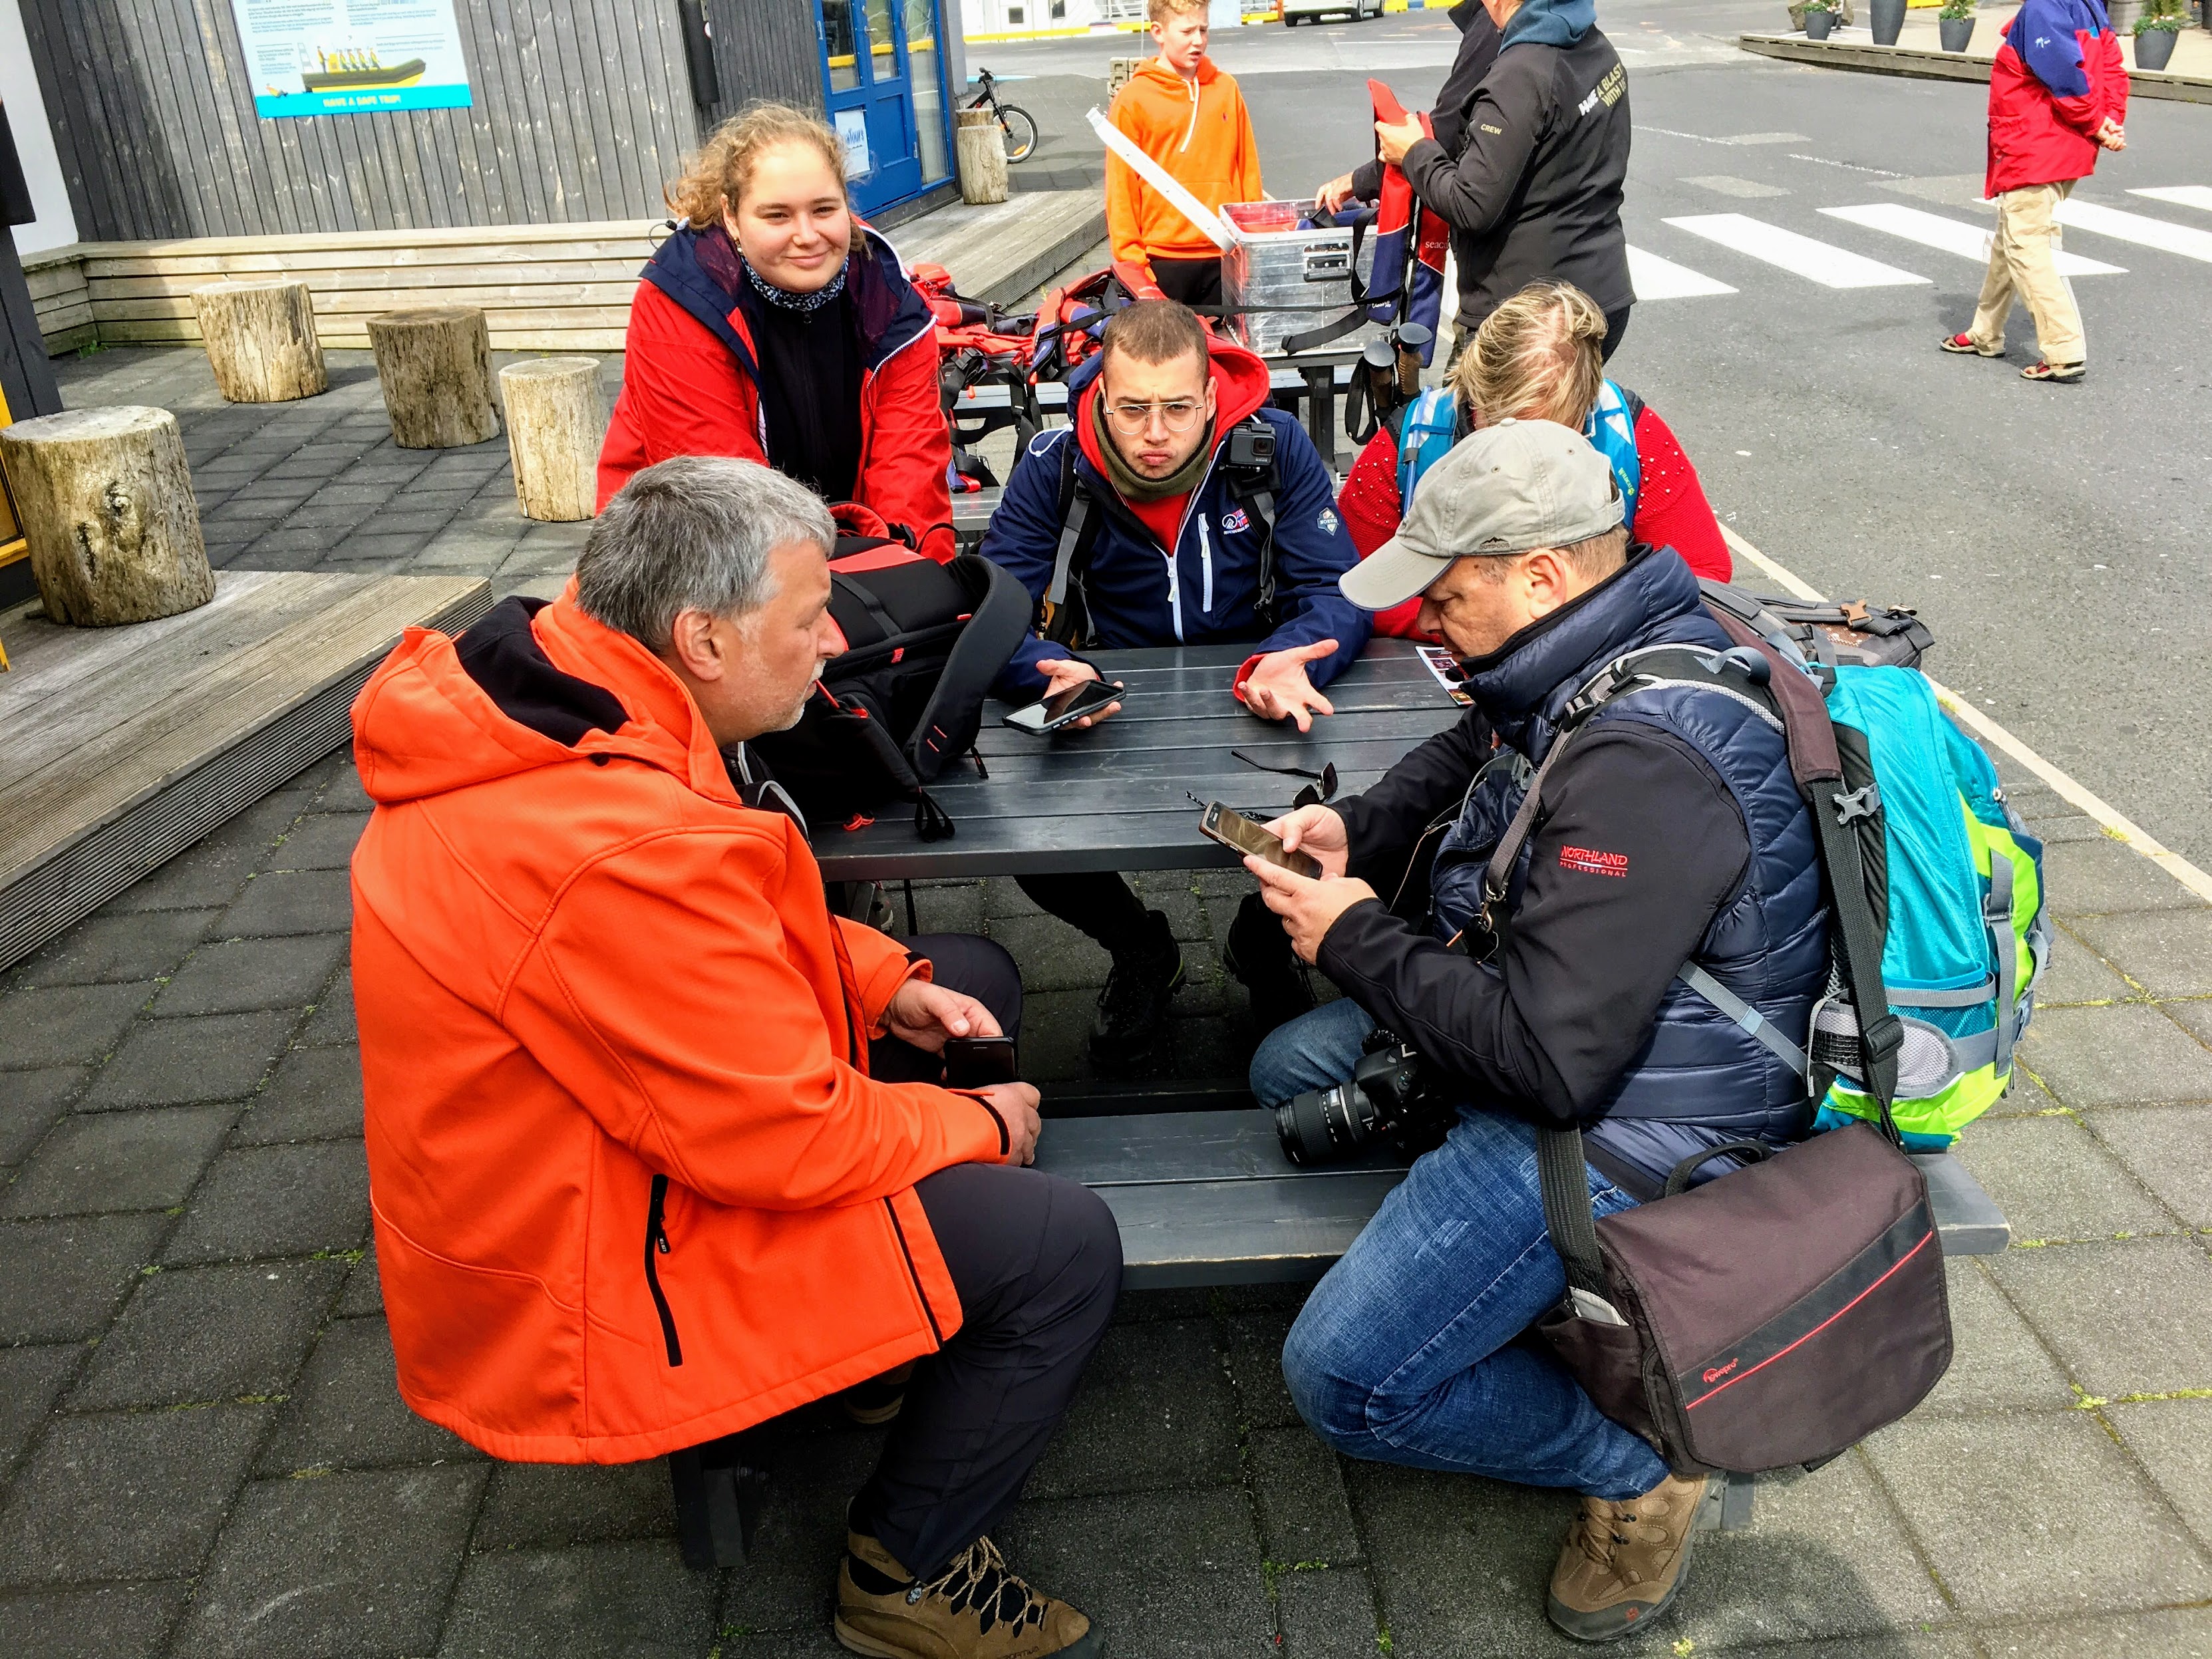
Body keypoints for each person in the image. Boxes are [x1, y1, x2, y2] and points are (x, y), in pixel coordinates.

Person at [350, 456, 1116, 1659]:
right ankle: (906, 1574)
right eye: (808, 618)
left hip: (598, 1157)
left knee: (963, 982)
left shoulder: (578, 694)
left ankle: (861, 1357)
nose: (831, 643)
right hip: (595, 1269)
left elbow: (722, 938)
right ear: (702, 636)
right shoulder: (608, 846)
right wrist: (984, 1127)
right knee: (1061, 1240)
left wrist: (883, 983)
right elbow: (785, 1135)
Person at [1240, 421, 1826, 1643]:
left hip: (1646, 1120)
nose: (1429, 625)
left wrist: (1352, 937)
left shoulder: (1649, 764)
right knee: (1286, 1066)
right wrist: (1368, 826)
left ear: (1541, 575)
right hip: (1607, 1023)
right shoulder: (1625, 632)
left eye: (1447, 598)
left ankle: (1640, 1463)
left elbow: (1554, 1069)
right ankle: (1523, 1310)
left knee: (1341, 1378)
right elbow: (1484, 743)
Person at [979, 298, 1370, 1067]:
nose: (1154, 434)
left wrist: (1289, 656)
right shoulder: (1053, 464)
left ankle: (1262, 946)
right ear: (1099, 395)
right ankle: (1141, 947)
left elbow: (1336, 591)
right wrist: (1044, 668)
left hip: (1259, 694)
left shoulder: (1272, 445)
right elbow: (991, 613)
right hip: (1113, 702)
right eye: (1132, 409)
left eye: (1176, 408)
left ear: (1210, 396)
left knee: (1360, 817)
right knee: (1022, 835)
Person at [596, 103, 954, 559]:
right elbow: (723, 495)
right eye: (777, 216)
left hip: (847, 537)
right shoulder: (683, 302)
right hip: (687, 548)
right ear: (730, 216)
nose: (806, 235)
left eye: (823, 209)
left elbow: (910, 472)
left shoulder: (889, 303)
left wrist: (912, 578)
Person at [1339, 279, 1730, 639]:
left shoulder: (1632, 436)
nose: (1529, 459)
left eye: (1554, 439)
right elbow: (1347, 584)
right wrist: (1481, 625)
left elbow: (1703, 578)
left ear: (1589, 403)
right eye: (1500, 436)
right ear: (1472, 392)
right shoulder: (1412, 440)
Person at [1339, 0, 1632, 363]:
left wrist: (1414, 151)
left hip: (1531, 322)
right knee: (1569, 419)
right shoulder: (1594, 45)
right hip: (1603, 294)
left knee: (1468, 416)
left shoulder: (1522, 72)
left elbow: (1471, 205)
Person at [1941, 0, 2126, 383]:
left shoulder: (2043, 9)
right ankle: (1984, 332)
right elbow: (2112, 68)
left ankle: (2063, 349)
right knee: (2010, 236)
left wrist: (2097, 121)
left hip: (2036, 145)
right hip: (2064, 144)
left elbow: (2064, 76)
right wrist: (2109, 119)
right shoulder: (2088, 6)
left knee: (2026, 243)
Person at [1105, 0, 1263, 307]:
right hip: (1162, 260)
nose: (1198, 40)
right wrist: (1134, 266)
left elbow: (1248, 172)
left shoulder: (1226, 89)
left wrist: (1251, 247)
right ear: (1158, 32)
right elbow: (1121, 190)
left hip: (1225, 254)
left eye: (1203, 29)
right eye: (1187, 31)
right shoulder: (1133, 100)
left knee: (1227, 353)